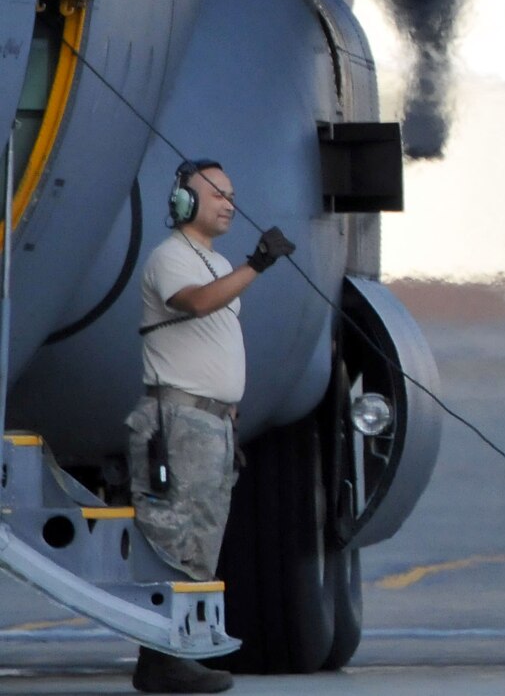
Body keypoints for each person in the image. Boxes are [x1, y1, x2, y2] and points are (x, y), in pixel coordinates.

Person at [123, 159, 294, 695]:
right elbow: (196, 305)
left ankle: (180, 652)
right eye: (216, 193)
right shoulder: (171, 258)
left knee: (201, 543)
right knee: (174, 538)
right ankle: (161, 657)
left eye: (232, 194)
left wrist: (226, 410)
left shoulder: (215, 263)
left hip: (210, 423)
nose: (229, 203)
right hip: (179, 422)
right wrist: (259, 265)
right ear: (184, 203)